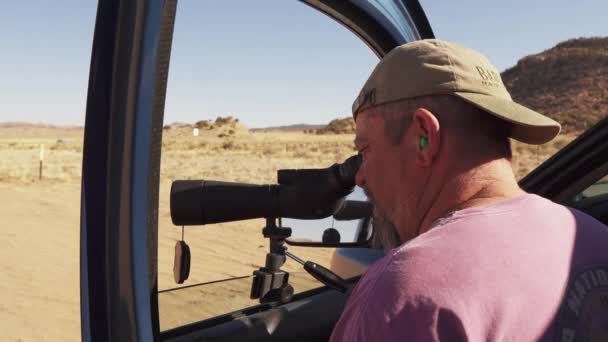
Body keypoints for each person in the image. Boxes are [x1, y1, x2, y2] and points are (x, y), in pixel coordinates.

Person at [330, 39, 608, 341]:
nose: (359, 176)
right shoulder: (594, 236)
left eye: (366, 149)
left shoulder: (403, 294)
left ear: (423, 137)